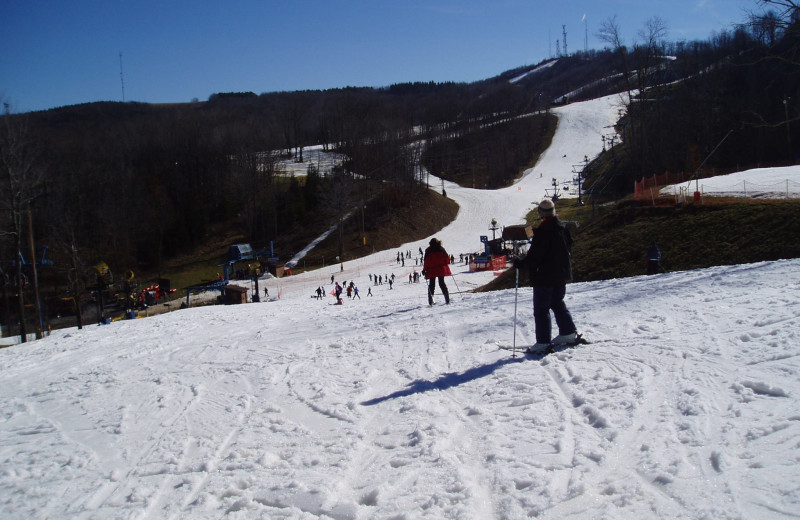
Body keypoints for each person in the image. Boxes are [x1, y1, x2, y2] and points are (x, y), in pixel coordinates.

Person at [514, 198, 577, 350]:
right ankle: (568, 332)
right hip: (561, 274)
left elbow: (535, 256)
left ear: (541, 213)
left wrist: (521, 263)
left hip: (545, 276)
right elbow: (569, 245)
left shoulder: (544, 232)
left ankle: (543, 342)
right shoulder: (562, 228)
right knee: (557, 302)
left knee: (541, 309)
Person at [423, 238, 451, 305]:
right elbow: (447, 259)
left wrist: (424, 269)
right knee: (442, 283)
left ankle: (431, 301)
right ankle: (447, 300)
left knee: (432, 285)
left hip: (431, 270)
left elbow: (426, 262)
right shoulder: (441, 249)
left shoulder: (428, 251)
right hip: (441, 269)